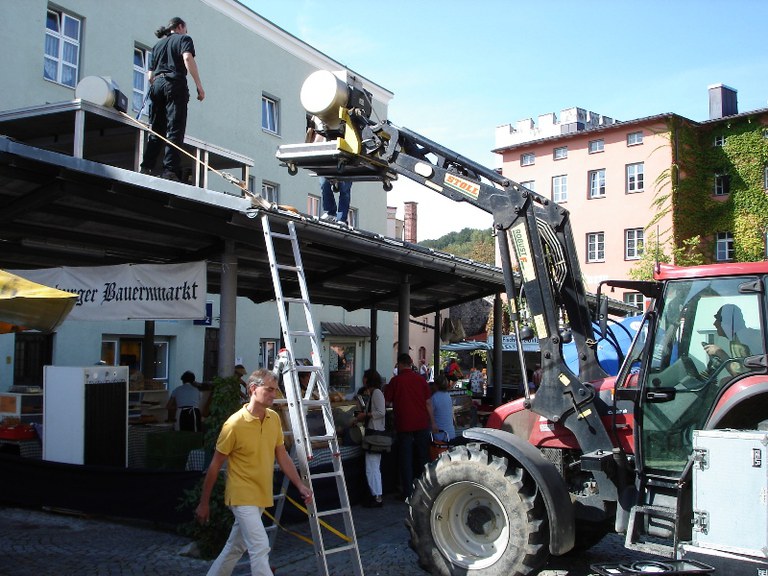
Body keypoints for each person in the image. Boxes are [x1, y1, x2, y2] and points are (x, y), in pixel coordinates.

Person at [196, 369, 312, 576]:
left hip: (260, 494)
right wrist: (204, 503)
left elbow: (282, 456)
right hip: (241, 495)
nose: (273, 395)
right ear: (252, 389)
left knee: (236, 547)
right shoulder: (233, 424)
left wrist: (300, 485)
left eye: (275, 390)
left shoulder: (274, 418)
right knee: (260, 546)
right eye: (269, 390)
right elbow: (215, 466)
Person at [140, 17, 205, 181]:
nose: (186, 32)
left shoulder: (157, 46)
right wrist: (199, 85)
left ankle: (146, 166)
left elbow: (149, 76)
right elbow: (187, 58)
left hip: (157, 85)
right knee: (175, 128)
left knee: (156, 129)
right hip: (174, 83)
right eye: (186, 29)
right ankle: (169, 170)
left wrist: (159, 83)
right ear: (181, 27)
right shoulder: (184, 39)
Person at [384, 353, 435, 499]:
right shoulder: (421, 380)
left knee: (405, 459)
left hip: (404, 424)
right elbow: (428, 403)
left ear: (399, 364)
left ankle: (407, 492)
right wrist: (433, 422)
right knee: (423, 457)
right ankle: (426, 489)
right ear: (411, 363)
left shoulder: (396, 381)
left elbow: (386, 403)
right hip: (421, 423)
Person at [306, 115, 352, 225]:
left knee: (344, 188)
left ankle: (341, 218)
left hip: (344, 153)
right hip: (324, 153)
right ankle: (331, 212)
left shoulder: (343, 114)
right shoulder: (316, 116)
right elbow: (310, 132)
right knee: (324, 184)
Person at [353, 369, 386, 507]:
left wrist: (365, 416)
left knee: (372, 466)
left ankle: (376, 496)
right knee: (373, 466)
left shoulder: (377, 393)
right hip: (375, 432)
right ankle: (376, 494)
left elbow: (380, 412)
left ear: (367, 379)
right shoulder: (374, 393)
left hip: (375, 433)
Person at [703, 303, 761, 376]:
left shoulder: (739, 341)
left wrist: (719, 352)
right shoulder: (748, 334)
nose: (714, 323)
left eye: (718, 319)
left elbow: (739, 376)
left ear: (728, 322)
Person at [431, 374, 456, 443]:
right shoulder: (448, 396)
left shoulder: (434, 397)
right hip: (451, 433)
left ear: (436, 385)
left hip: (440, 435)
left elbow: (429, 414)